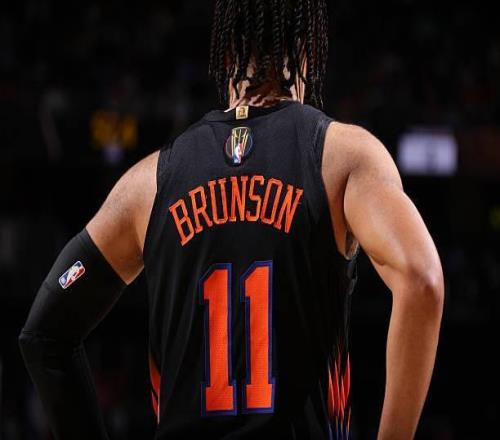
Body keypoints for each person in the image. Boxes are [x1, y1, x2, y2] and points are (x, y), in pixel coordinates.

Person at [19, 1, 444, 439]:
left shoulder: (148, 184)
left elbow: (44, 334)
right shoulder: (341, 158)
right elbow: (422, 280)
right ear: (309, 51)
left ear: (224, 55)